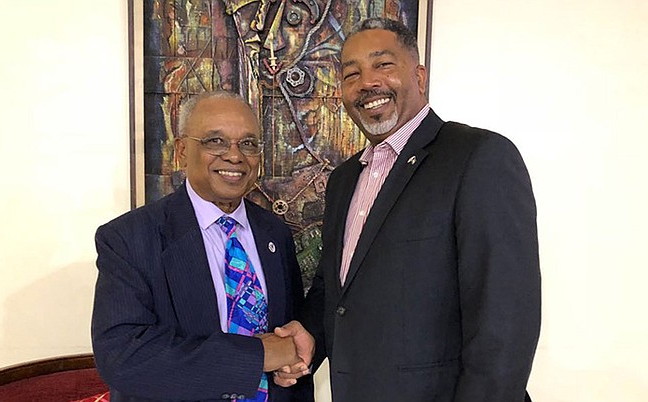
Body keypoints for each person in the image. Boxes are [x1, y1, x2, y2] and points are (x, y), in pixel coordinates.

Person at [277, 17, 541, 401]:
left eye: (383, 64)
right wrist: (308, 334)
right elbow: (335, 291)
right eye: (352, 74)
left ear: (419, 76)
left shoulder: (478, 158)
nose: (367, 82)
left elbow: (505, 323)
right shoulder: (344, 180)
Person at [91, 91, 314, 402]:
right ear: (181, 151)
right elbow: (124, 357)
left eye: (248, 144)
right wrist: (257, 356)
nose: (235, 156)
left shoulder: (274, 232)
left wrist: (289, 365)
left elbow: (285, 341)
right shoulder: (129, 238)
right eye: (215, 142)